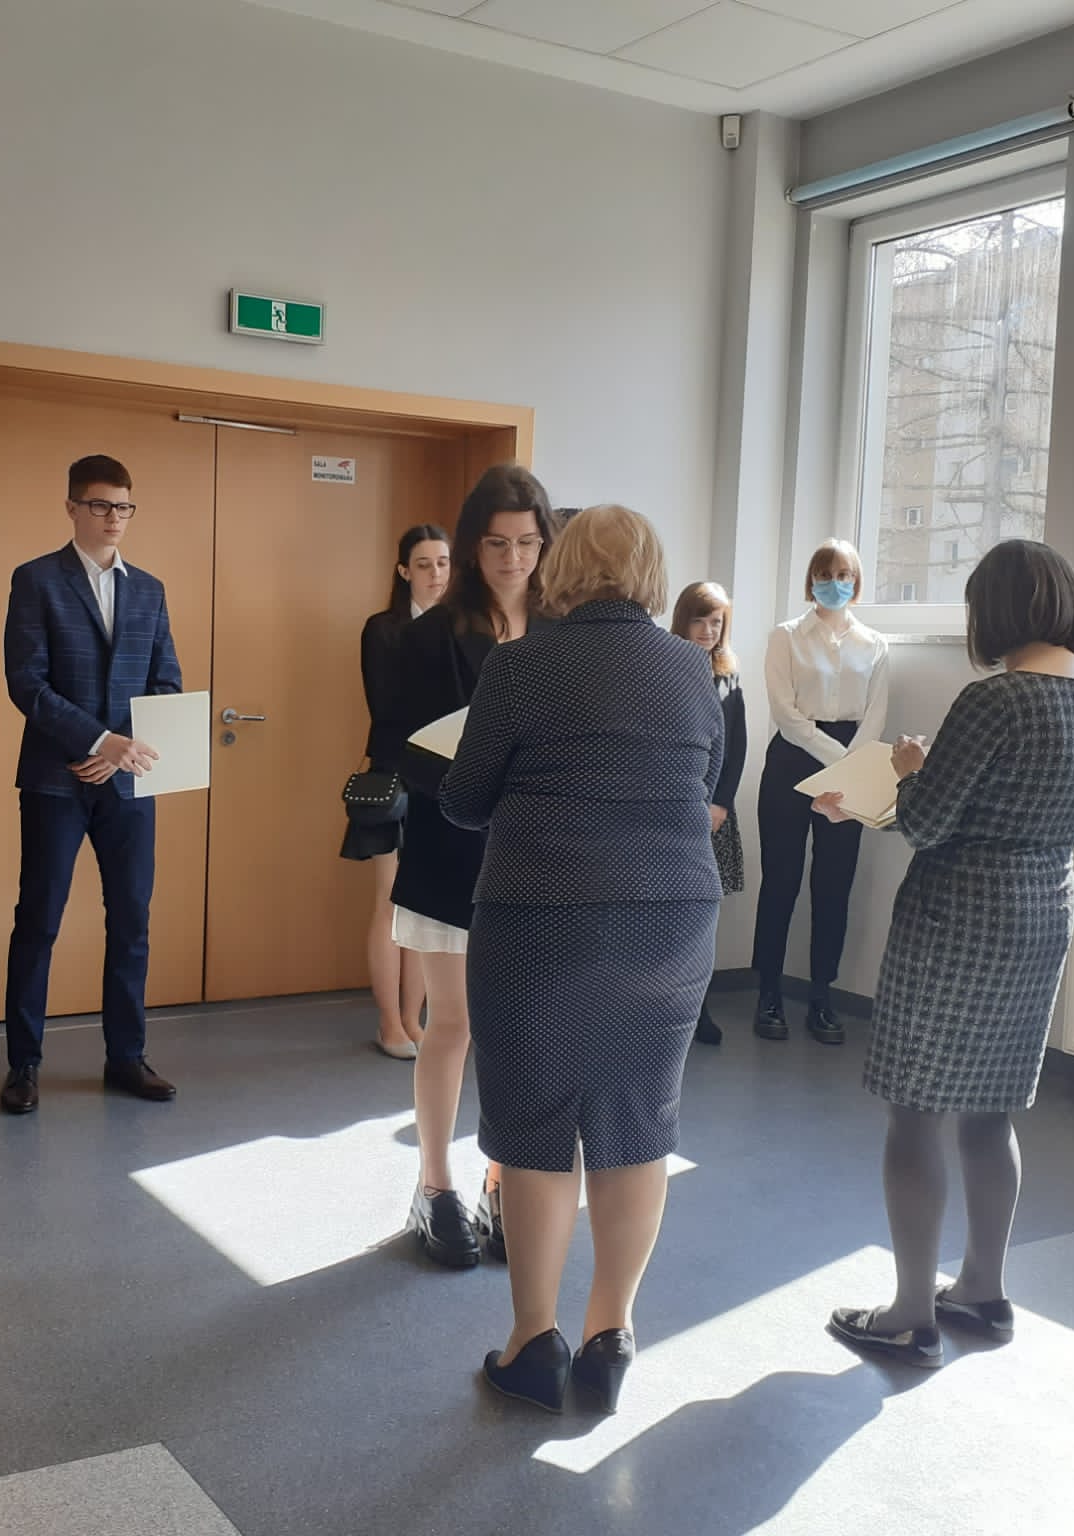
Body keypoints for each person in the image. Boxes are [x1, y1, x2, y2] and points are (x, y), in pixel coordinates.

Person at [441, 505, 723, 1414]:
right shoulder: (692, 668)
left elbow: (465, 797)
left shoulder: (520, 665)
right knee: (638, 1121)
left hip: (541, 916)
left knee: (535, 1125)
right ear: (649, 572)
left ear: (560, 566)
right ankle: (611, 1335)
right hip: (669, 917)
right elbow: (704, 779)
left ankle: (535, 1342)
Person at [822, 540, 1074, 1370]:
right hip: (1043, 909)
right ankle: (983, 1290)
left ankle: (911, 1314)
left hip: (960, 917)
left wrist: (910, 769)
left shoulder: (997, 698)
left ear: (999, 609)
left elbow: (926, 822)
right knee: (991, 1111)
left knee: (916, 1111)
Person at [390, 465, 555, 1269]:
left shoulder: (563, 632)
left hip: (539, 858)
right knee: (451, 1025)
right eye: (496, 544)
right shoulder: (429, 636)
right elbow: (402, 749)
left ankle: (500, 1183)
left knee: (518, 1032)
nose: (512, 559)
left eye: (527, 543)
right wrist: (483, 785)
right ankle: (435, 1186)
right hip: (451, 848)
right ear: (470, 546)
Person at [0, 454, 183, 1112]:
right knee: (38, 920)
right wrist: (97, 740)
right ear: (72, 507)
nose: (113, 518)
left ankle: (126, 1058)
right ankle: (23, 1065)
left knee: (132, 921)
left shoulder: (150, 589)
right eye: (101, 505)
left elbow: (166, 682)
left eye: (123, 507)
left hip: (127, 783)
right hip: (55, 780)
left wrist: (117, 748)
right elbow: (27, 683)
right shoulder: (36, 580)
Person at [751, 539, 889, 1045]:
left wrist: (850, 768)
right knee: (781, 879)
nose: (835, 583)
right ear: (811, 581)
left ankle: (821, 996)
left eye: (845, 574)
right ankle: (768, 992)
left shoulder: (875, 644)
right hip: (792, 759)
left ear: (857, 581)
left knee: (835, 883)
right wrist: (839, 758)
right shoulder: (785, 636)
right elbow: (785, 714)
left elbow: (875, 714)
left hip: (852, 763)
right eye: (826, 574)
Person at [347, 524, 451, 1060]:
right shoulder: (383, 629)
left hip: (446, 779)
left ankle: (414, 1020)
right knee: (390, 899)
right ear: (404, 571)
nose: (436, 574)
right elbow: (386, 706)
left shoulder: (465, 628)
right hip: (393, 774)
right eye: (425, 564)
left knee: (427, 907)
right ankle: (389, 1022)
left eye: (443, 563)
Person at [673, 580, 747, 1046]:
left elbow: (736, 744)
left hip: (714, 810)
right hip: (674, 805)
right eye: (699, 620)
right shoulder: (664, 667)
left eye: (716, 622)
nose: (707, 630)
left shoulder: (729, 675)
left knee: (704, 915)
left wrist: (721, 802)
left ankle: (699, 1006)